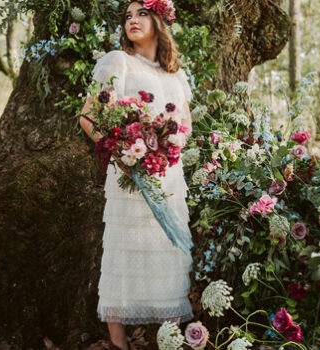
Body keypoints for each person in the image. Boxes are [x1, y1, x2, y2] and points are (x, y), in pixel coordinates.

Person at [77, 1, 194, 350]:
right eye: (127, 16)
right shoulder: (117, 61)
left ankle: (169, 339)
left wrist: (172, 145)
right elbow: (88, 116)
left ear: (160, 19)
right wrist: (119, 150)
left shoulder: (176, 72)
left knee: (168, 250)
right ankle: (119, 344)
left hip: (169, 173)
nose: (132, 20)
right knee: (124, 250)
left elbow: (185, 122)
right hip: (129, 172)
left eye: (141, 13)